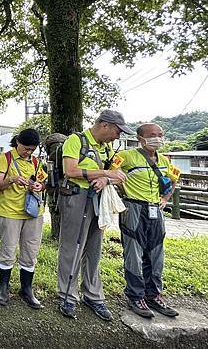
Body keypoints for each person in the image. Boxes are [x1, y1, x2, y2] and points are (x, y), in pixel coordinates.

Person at [57, 110, 129, 321]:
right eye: (117, 131)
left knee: (94, 248)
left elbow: (116, 175)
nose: (118, 136)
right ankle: (67, 295)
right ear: (104, 125)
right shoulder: (75, 140)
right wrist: (106, 174)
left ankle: (93, 295)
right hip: (75, 198)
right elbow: (70, 171)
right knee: (72, 246)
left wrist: (106, 180)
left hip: (98, 200)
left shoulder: (106, 148)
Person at [118, 123, 179, 318]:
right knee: (134, 253)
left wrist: (165, 199)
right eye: (152, 135)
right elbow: (109, 171)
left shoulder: (165, 160)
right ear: (140, 138)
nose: (157, 138)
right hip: (134, 208)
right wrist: (120, 189)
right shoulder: (127, 156)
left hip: (156, 210)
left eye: (160, 135)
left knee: (156, 254)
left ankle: (153, 294)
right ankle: (135, 296)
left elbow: (174, 179)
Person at [0, 129, 46, 309]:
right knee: (8, 250)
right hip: (9, 212)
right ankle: (3, 288)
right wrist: (13, 179)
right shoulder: (6, 158)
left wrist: (39, 186)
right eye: (26, 148)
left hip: (33, 213)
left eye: (32, 149)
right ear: (17, 142)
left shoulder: (36, 162)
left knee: (30, 252)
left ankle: (26, 289)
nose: (28, 152)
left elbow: (43, 182)